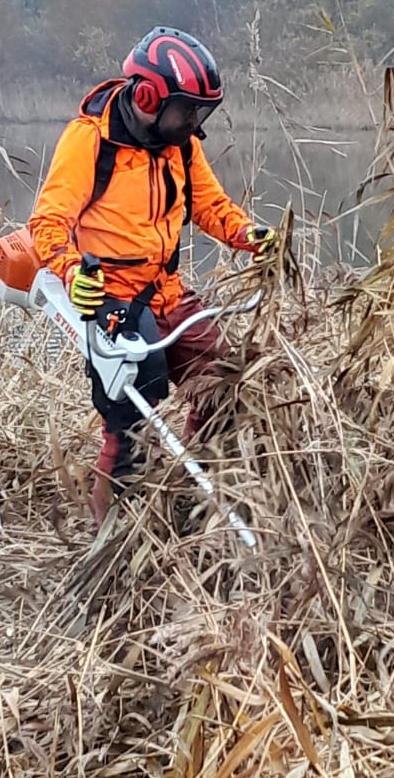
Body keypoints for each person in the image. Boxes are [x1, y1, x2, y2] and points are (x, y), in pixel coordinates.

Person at [28, 26, 275, 522]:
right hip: (112, 298)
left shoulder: (179, 143)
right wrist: (74, 272)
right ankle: (112, 540)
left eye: (199, 112)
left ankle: (185, 494)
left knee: (222, 383)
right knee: (130, 421)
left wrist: (250, 236)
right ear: (147, 98)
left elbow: (209, 204)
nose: (194, 122)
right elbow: (47, 223)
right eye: (187, 111)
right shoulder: (89, 142)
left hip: (167, 292)